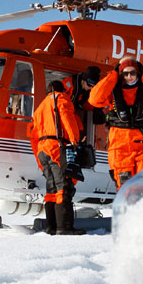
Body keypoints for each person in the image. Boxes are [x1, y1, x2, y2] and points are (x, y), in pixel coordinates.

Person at [88, 56, 143, 188]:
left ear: (138, 73)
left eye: (133, 73)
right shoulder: (112, 94)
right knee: (126, 190)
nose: (129, 76)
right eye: (125, 73)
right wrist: (113, 75)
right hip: (120, 150)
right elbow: (94, 99)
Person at [28, 80, 85, 235]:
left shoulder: (40, 108)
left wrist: (39, 159)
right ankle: (64, 227)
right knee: (63, 186)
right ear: (62, 91)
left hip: (42, 149)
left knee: (51, 189)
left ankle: (51, 226)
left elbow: (33, 136)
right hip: (56, 147)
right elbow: (67, 118)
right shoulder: (61, 99)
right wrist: (74, 141)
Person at [62, 65, 104, 144]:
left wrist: (97, 109)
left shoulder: (87, 93)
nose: (90, 88)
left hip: (72, 114)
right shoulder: (69, 83)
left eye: (93, 87)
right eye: (89, 85)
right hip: (63, 113)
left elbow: (88, 105)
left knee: (80, 127)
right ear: (83, 80)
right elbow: (57, 96)